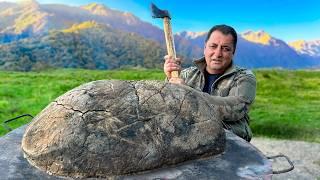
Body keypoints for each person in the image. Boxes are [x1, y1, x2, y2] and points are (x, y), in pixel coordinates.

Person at [164, 24, 256, 142]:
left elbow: (236, 108)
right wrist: (169, 78)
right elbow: (169, 106)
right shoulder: (186, 75)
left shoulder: (244, 78)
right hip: (190, 141)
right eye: (213, 46)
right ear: (205, 48)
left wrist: (188, 93)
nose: (218, 54)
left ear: (233, 52)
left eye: (225, 48)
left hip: (230, 144)